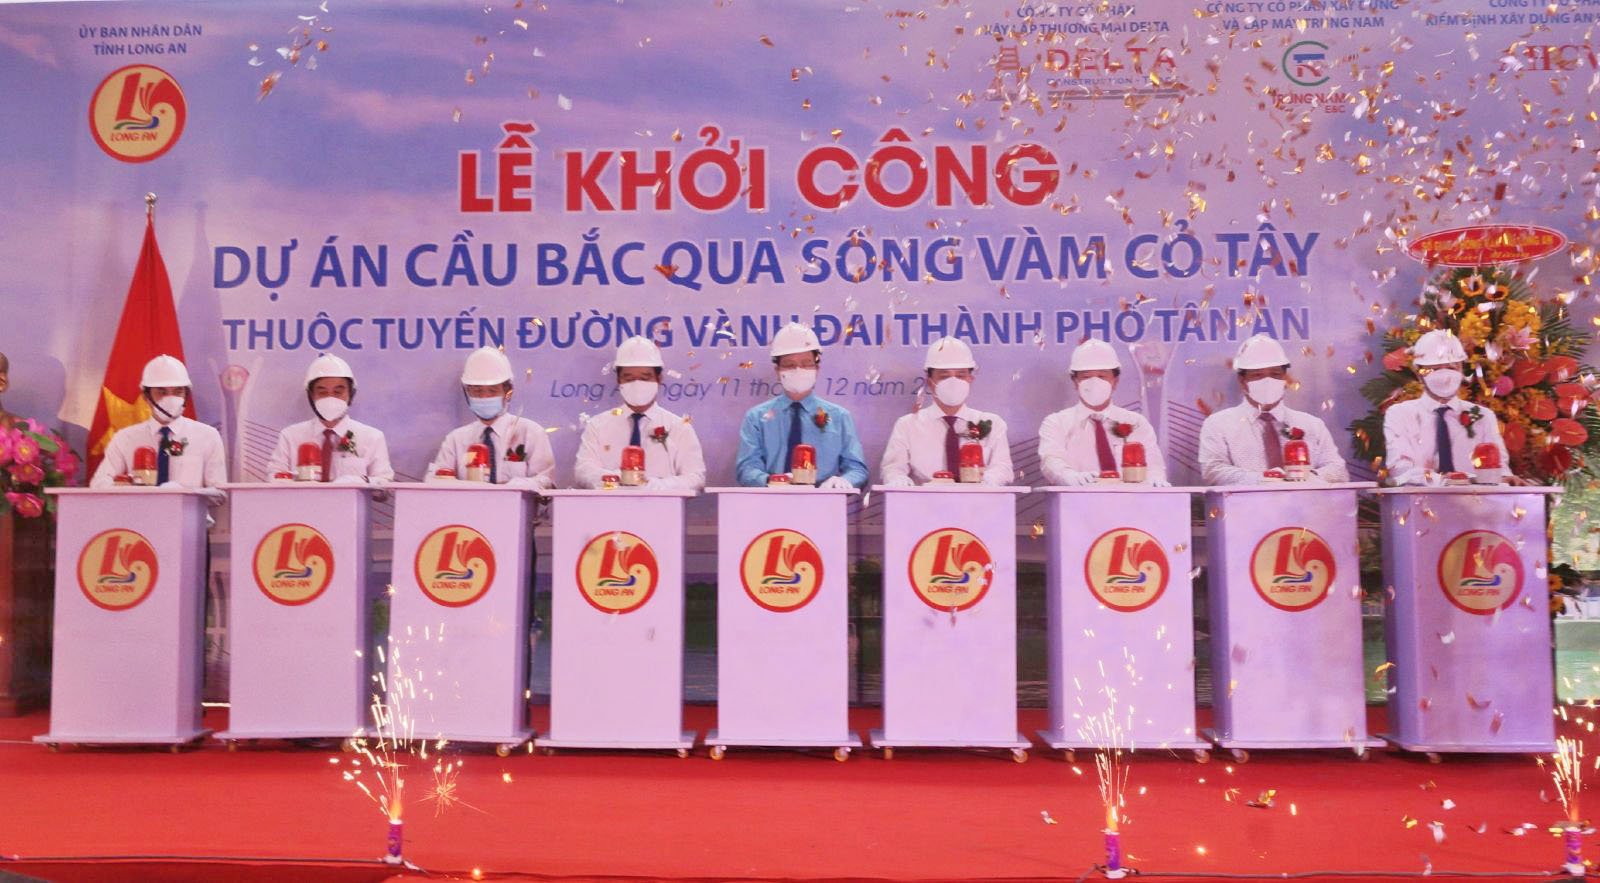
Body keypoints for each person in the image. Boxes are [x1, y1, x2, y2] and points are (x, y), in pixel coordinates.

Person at [1198, 334, 1350, 485]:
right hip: (1247, 507)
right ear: (1243, 381)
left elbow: (1338, 470)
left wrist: (1307, 478)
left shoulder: (1312, 424)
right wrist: (1264, 479)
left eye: (1275, 374)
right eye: (1257, 375)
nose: (1267, 381)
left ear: (1285, 378)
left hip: (1306, 507)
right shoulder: (1219, 424)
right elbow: (1213, 470)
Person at [735, 322, 868, 488]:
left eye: (806, 363)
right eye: (790, 365)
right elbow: (746, 468)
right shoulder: (756, 418)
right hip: (770, 501)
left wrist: (844, 481)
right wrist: (772, 481)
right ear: (778, 370)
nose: (798, 369)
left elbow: (857, 469)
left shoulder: (839, 417)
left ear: (817, 368)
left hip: (824, 502)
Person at [1383, 329, 1513, 486]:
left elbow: (1499, 469)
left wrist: (1506, 479)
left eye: (1451, 367)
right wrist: (1444, 481)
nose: (1445, 376)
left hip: (1475, 506)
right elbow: (1400, 469)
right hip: (1420, 504)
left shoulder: (1483, 416)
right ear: (1419, 373)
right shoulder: (1400, 414)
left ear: (1461, 369)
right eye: (1435, 369)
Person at [573, 336, 706, 490]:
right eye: (628, 378)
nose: (637, 384)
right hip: (608, 509)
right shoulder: (598, 425)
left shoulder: (679, 427)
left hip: (663, 510)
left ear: (659, 378)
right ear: (618, 380)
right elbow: (583, 471)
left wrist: (652, 486)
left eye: (645, 378)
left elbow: (695, 478)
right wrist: (618, 480)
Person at [880, 337, 1012, 486]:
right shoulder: (908, 425)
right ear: (930, 382)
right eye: (944, 376)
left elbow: (1003, 468)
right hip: (924, 504)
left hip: (979, 504)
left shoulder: (992, 423)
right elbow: (892, 469)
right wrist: (899, 480)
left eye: (961, 376)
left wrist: (981, 482)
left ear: (970, 379)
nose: (953, 382)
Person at [1037, 339, 1169, 486]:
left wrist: (1155, 480)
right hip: (1077, 502)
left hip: (1131, 504)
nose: (1094, 383)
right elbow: (1051, 460)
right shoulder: (1056, 423)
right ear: (1075, 382)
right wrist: (1068, 476)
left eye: (1102, 376)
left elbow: (1154, 464)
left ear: (1115, 381)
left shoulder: (1136, 423)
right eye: (1086, 377)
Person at [427, 346, 556, 488]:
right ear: (467, 393)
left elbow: (546, 481)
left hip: (517, 509)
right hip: (466, 510)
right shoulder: (456, 439)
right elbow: (435, 483)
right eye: (477, 391)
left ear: (508, 392)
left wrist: (512, 486)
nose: (484, 397)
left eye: (492, 391)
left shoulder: (530, 432)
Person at [90, 354, 226, 489]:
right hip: (140, 510)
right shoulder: (125, 438)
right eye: (162, 392)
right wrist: (130, 489)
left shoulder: (208, 436)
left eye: (178, 391)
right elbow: (99, 484)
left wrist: (185, 494)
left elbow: (219, 493)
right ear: (145, 396)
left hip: (189, 511)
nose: (171, 398)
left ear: (186, 394)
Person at [266, 354, 394, 483]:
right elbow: (274, 476)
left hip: (351, 503)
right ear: (311, 395)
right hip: (303, 503)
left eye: (338, 392)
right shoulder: (290, 436)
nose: (330, 398)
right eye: (322, 392)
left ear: (351, 394)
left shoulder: (371, 437)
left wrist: (362, 481)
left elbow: (385, 486)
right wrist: (293, 479)